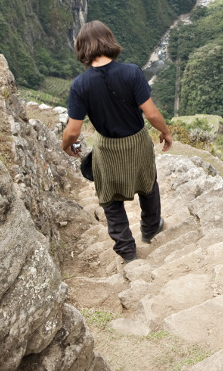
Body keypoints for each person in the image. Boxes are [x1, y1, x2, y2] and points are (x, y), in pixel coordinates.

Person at [61, 20, 172, 263]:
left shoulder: (80, 85)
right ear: (109, 41)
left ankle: (127, 251)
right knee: (147, 184)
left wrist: (66, 145)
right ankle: (151, 228)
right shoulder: (132, 72)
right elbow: (151, 114)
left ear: (82, 48)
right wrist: (165, 132)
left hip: (108, 147)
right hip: (138, 141)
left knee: (110, 197)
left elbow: (73, 130)